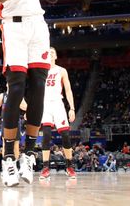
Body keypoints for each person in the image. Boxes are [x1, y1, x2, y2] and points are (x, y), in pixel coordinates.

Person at [0, 0, 62, 186]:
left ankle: (29, 155)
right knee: (16, 87)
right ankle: (9, 159)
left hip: (37, 26)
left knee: (38, 88)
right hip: (13, 26)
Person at [38, 48, 77, 181]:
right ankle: (45, 168)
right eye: (48, 52)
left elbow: (68, 90)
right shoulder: (41, 71)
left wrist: (72, 108)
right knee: (46, 134)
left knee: (65, 135)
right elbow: (35, 91)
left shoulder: (61, 70)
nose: (50, 54)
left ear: (56, 55)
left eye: (53, 52)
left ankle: (69, 166)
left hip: (58, 103)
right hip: (45, 104)